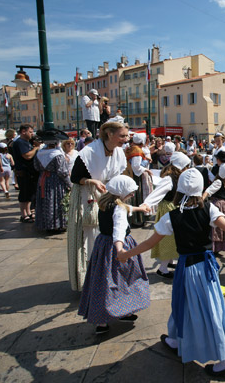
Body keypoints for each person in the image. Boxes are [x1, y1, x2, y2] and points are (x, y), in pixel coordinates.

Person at [118, 169, 225, 378]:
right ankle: (176, 339)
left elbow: (148, 243)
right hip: (206, 267)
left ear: (179, 189)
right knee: (198, 306)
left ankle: (224, 361)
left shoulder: (171, 217)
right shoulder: (208, 209)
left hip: (188, 268)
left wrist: (126, 254)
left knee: (194, 307)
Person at [78, 175, 150, 334]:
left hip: (102, 245)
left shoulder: (105, 203)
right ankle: (122, 309)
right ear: (121, 193)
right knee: (123, 279)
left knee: (103, 281)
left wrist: (140, 208)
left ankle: (102, 319)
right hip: (116, 247)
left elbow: (126, 209)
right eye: (130, 193)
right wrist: (120, 251)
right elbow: (119, 230)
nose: (132, 195)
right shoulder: (119, 209)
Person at [68, 121, 128, 291]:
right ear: (109, 134)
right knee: (89, 238)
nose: (126, 139)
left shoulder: (118, 153)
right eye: (122, 135)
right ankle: (89, 280)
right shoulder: (88, 153)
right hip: (86, 197)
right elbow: (75, 177)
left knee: (107, 236)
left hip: (107, 197)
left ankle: (104, 277)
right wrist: (92, 181)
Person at [139, 152, 192, 278]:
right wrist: (146, 203)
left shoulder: (176, 176)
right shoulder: (169, 179)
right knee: (168, 238)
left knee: (173, 238)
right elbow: (158, 192)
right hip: (168, 208)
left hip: (173, 207)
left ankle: (170, 262)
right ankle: (162, 269)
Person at [34, 129, 72, 232]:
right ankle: (57, 225)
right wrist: (69, 184)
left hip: (43, 179)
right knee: (57, 201)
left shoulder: (39, 153)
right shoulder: (57, 155)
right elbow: (62, 172)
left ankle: (46, 224)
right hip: (55, 181)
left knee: (45, 201)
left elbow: (36, 167)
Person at [12, 124, 41, 222]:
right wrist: (36, 148)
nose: (32, 134)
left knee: (29, 194)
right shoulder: (20, 142)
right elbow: (27, 156)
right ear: (23, 131)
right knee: (24, 194)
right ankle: (24, 214)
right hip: (23, 172)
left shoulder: (26, 142)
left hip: (29, 172)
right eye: (30, 132)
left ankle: (28, 212)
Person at [125, 133, 153, 227]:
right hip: (136, 176)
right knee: (138, 196)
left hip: (132, 175)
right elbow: (136, 166)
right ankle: (138, 219)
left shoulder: (132, 148)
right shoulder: (137, 150)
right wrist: (146, 169)